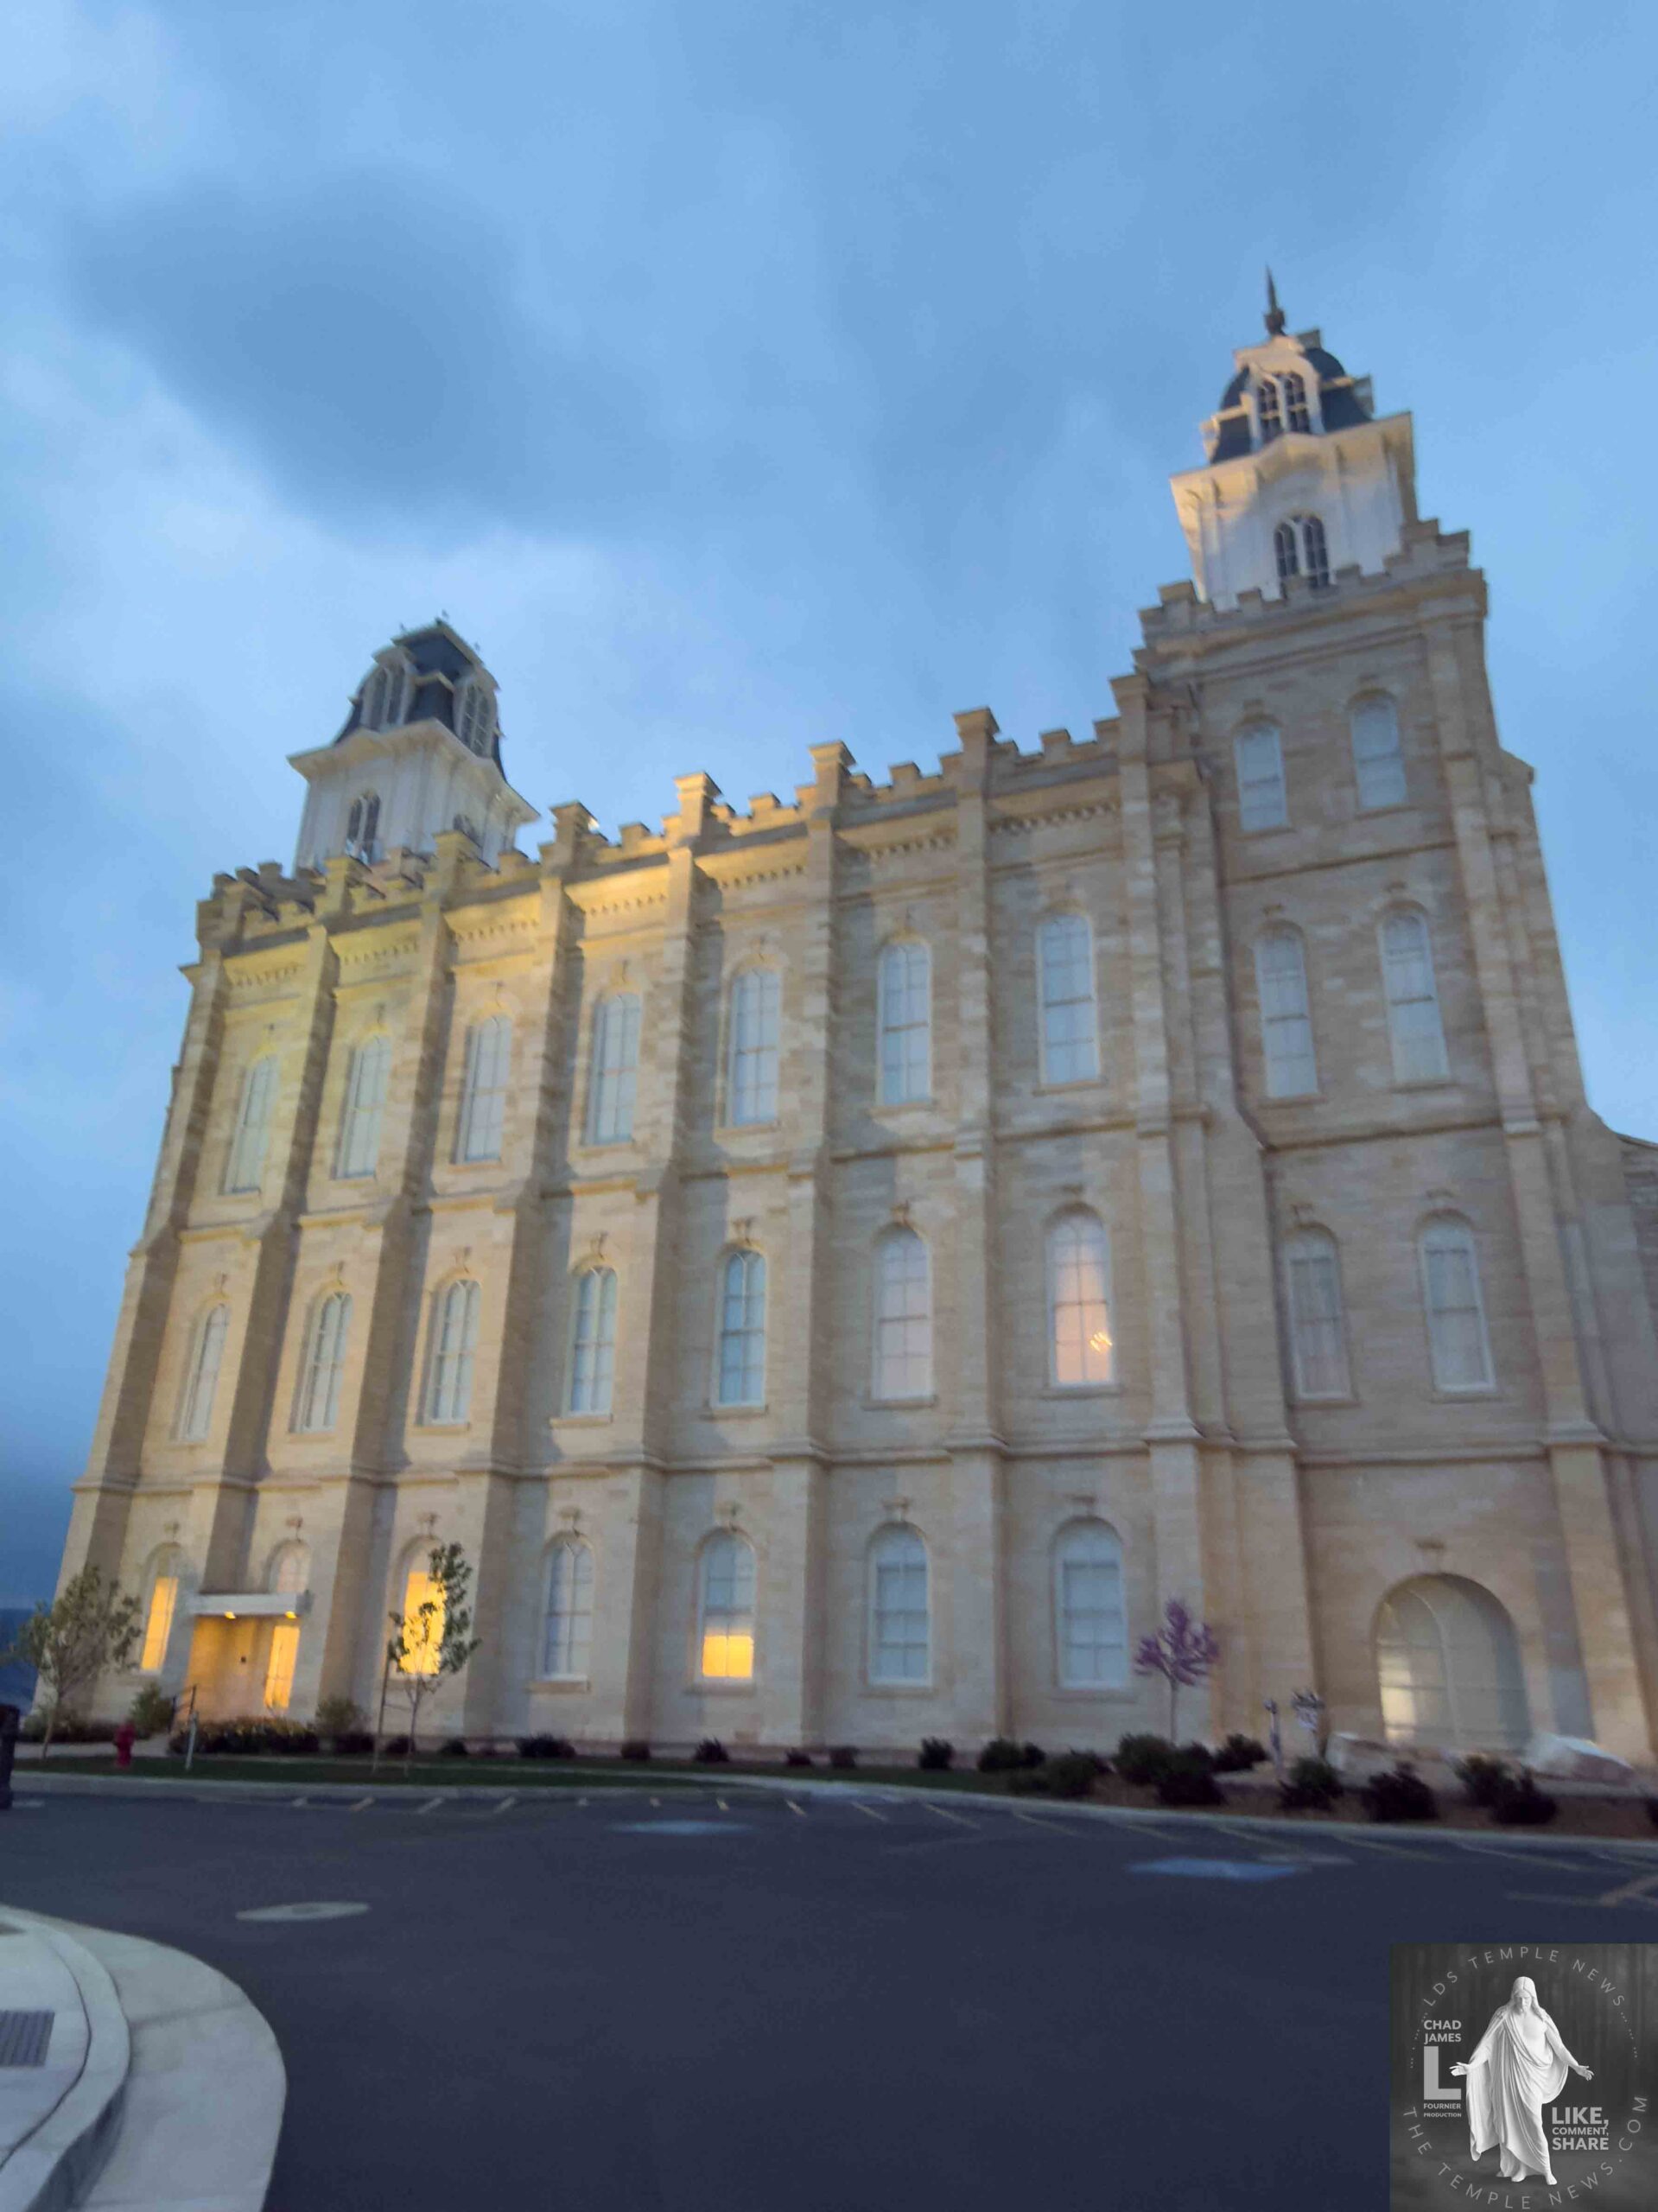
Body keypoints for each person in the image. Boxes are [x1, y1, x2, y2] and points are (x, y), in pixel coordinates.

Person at [1451, 1976, 1593, 2187]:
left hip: (1532, 2080)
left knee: (1535, 2123)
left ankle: (1546, 2169)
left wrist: (1576, 2066)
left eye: (1526, 1998)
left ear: (1533, 1998)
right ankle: (1518, 2168)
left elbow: (1560, 2048)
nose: (1522, 2003)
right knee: (1509, 2123)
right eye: (1518, 1998)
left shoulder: (1542, 2018)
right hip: (1507, 2080)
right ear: (1513, 1997)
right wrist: (1471, 2067)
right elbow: (1487, 2046)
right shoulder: (1503, 2016)